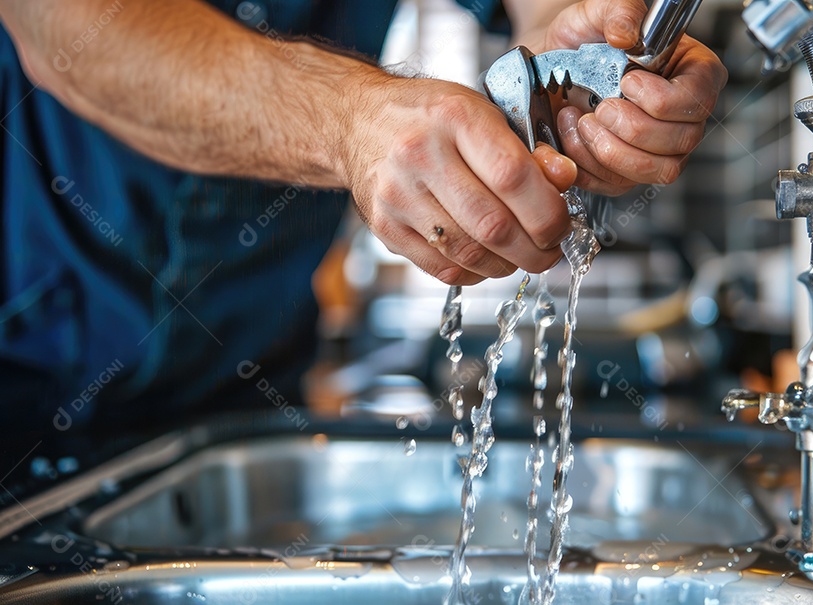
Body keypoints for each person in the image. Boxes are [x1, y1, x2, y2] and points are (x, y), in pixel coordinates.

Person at [0, 0, 724, 443]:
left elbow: (550, 11)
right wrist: (351, 121)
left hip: (244, 394)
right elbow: (63, 23)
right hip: (24, 377)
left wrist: (582, 37)